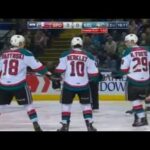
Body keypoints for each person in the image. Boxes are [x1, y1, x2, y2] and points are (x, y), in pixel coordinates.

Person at [0, 34, 51, 131]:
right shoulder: (26, 53)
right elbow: (37, 67)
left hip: (4, 85)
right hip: (19, 84)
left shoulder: (3, 53)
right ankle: (35, 124)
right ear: (20, 43)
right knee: (28, 105)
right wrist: (47, 73)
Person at [55, 37, 99, 131]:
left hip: (68, 85)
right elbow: (94, 73)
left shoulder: (65, 54)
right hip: (84, 85)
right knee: (86, 105)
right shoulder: (89, 55)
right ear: (82, 45)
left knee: (66, 105)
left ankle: (65, 126)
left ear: (72, 44)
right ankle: (89, 126)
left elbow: (59, 70)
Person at [112, 33, 150, 127]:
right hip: (146, 80)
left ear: (132, 41)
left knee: (135, 100)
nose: (126, 43)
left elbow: (124, 69)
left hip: (134, 80)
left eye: (127, 41)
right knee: (141, 99)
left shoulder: (128, 51)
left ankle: (141, 118)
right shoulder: (147, 50)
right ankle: (138, 115)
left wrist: (118, 74)